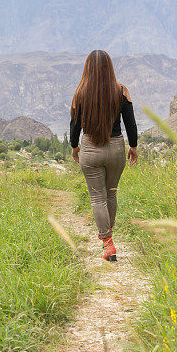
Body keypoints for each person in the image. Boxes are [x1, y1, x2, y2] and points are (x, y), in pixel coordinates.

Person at [70, 50, 138, 262]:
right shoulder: (121, 91)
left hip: (90, 148)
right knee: (111, 194)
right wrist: (133, 146)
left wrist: (74, 147)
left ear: (87, 68)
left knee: (97, 198)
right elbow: (131, 123)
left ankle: (108, 243)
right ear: (110, 67)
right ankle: (109, 236)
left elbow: (74, 126)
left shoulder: (80, 92)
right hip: (116, 149)